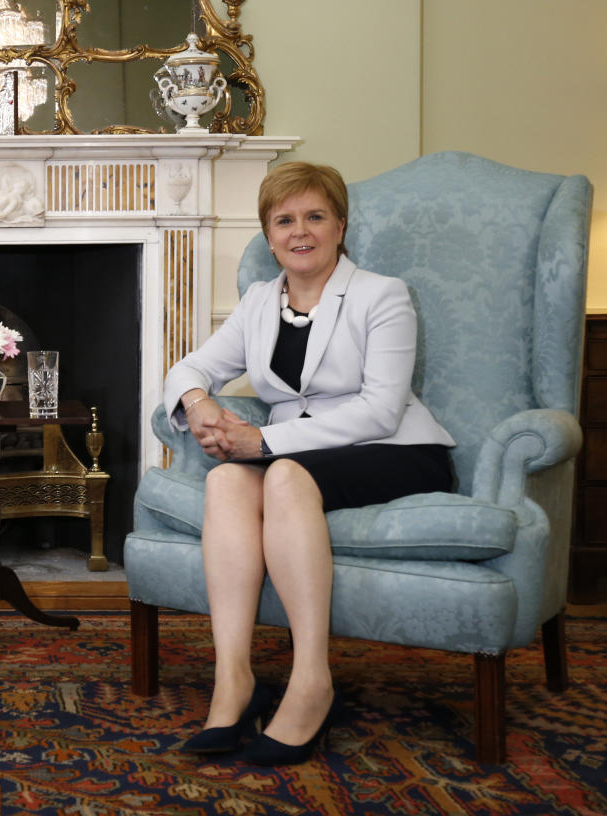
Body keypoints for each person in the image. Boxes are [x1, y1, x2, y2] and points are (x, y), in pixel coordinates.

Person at [163, 161, 455, 766]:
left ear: (340, 226)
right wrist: (199, 405)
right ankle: (234, 678)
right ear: (269, 236)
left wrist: (264, 444)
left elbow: (381, 410)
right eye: (284, 220)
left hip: (398, 452)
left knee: (285, 475)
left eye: (315, 217)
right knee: (225, 482)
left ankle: (311, 681)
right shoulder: (257, 302)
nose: (301, 231)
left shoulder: (383, 294)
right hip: (306, 455)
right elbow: (190, 368)